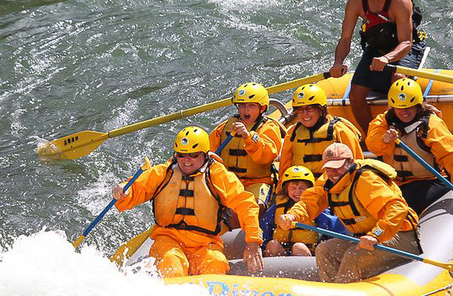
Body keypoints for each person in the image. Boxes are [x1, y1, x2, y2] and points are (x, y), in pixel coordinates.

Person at [113, 126, 264, 278]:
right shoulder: (164, 172)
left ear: (205, 154)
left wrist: (253, 242)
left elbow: (246, 204)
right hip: (169, 239)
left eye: (193, 155)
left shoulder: (218, 174)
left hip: (205, 243)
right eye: (181, 155)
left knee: (216, 263)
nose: (186, 160)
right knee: (172, 263)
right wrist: (124, 191)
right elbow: (137, 187)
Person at [277, 143, 420, 284]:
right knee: (324, 250)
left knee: (353, 256)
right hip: (364, 238)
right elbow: (310, 202)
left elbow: (398, 207)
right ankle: (331, 294)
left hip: (400, 236)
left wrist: (375, 235)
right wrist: (293, 215)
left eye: (337, 167)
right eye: (329, 168)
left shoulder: (365, 179)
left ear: (350, 162)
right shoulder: (327, 181)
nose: (333, 173)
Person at [329, 0, 427, 137]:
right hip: (377, 48)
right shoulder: (355, 2)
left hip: (405, 47)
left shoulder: (400, 0)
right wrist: (338, 61)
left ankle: (400, 132)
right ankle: (374, 137)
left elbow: (406, 42)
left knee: (397, 79)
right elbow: (345, 39)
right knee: (355, 95)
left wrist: (387, 58)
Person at [366, 78, 453, 214]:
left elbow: (452, 154)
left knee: (398, 207)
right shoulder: (384, 121)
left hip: (429, 181)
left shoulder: (431, 124)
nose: (404, 112)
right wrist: (384, 140)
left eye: (409, 107)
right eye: (400, 108)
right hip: (397, 182)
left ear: (418, 105)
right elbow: (372, 145)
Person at [209, 82, 284, 215]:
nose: (245, 110)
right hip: (230, 180)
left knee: (255, 206)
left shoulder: (268, 127)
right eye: (242, 106)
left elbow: (267, 156)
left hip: (257, 181)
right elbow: (209, 151)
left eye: (251, 106)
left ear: (262, 108)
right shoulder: (225, 127)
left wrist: (248, 137)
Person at [278, 83, 362, 180]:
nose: (305, 114)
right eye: (300, 109)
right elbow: (284, 165)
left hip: (331, 183)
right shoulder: (293, 132)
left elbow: (356, 162)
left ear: (321, 109)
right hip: (302, 187)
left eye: (309, 109)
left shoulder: (339, 129)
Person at [262, 165, 348, 257]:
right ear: (286, 189)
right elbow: (264, 225)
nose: (297, 192)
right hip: (283, 250)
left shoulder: (314, 206)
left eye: (302, 188)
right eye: (293, 188)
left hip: (307, 251)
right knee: (272, 245)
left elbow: (334, 227)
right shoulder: (278, 206)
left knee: (298, 247)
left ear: (310, 189)